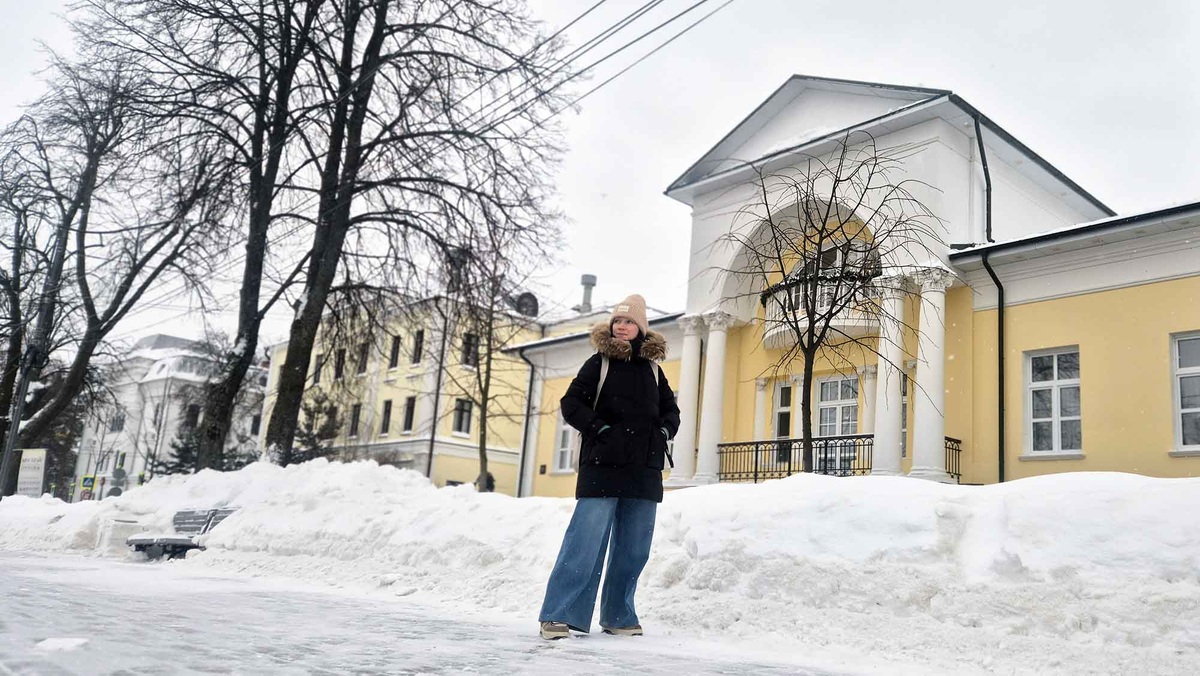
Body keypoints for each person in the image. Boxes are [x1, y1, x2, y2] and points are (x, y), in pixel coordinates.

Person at [538, 294, 681, 640]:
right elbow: (571, 403)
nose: (621, 326)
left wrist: (662, 431)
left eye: (629, 321)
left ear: (641, 328)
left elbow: (671, 412)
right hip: (602, 465)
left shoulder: (653, 369)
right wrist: (599, 429)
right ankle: (558, 615)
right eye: (618, 321)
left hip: (644, 470)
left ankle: (618, 615)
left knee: (634, 549)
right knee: (584, 544)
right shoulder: (598, 363)